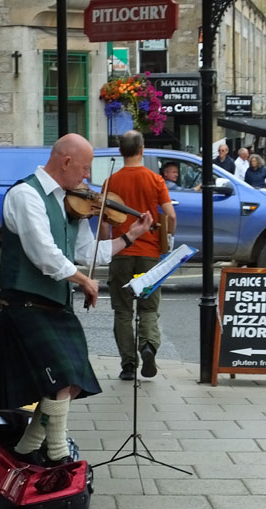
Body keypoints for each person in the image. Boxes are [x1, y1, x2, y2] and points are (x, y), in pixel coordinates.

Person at [0, 133, 153, 468]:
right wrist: (83, 280)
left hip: (55, 306)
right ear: (65, 162)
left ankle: (26, 449)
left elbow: (88, 253)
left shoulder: (71, 203)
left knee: (71, 381)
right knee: (62, 378)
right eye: (85, 168)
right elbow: (44, 254)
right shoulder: (25, 195)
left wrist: (130, 236)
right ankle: (58, 452)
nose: (88, 177)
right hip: (26, 305)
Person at [104, 130, 177, 381]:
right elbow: (170, 215)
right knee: (148, 308)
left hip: (122, 251)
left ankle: (128, 365)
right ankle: (148, 346)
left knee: (123, 311)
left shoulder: (111, 182)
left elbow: (104, 222)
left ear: (120, 151)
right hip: (149, 253)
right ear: (142, 150)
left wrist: (106, 247)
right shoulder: (155, 179)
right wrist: (167, 239)